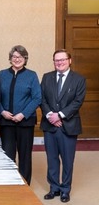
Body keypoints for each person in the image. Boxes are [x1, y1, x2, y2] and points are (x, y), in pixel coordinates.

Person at [40, 49, 86, 203]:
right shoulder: (47, 77)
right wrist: (50, 116)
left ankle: (65, 189)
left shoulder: (79, 79)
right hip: (50, 126)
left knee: (67, 160)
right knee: (52, 159)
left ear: (69, 61)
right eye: (56, 60)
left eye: (62, 60)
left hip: (68, 126)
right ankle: (54, 188)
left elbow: (77, 102)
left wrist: (59, 115)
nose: (59, 62)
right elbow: (42, 99)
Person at [0, 45, 41, 185]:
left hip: (25, 122)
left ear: (25, 59)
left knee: (25, 156)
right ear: (10, 59)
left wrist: (23, 114)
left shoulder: (31, 75)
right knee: (8, 155)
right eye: (14, 57)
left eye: (20, 57)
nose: (17, 59)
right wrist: (2, 111)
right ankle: (10, 184)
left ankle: (24, 185)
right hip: (6, 122)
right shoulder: (2, 74)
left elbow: (37, 98)